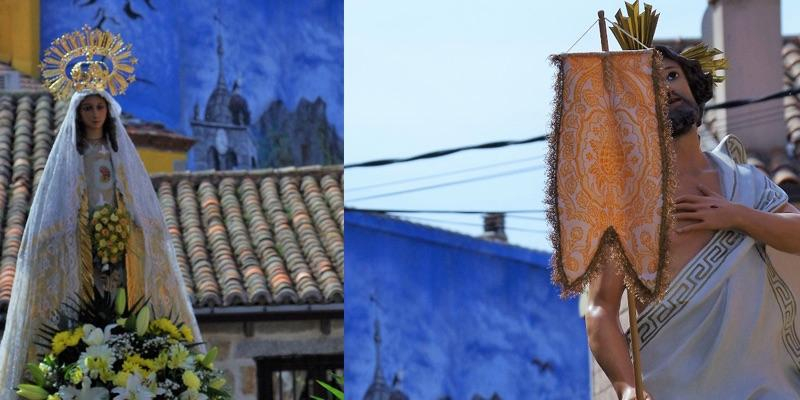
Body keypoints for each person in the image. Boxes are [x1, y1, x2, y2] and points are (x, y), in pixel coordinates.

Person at [585, 46, 800, 400]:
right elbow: (601, 308)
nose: (667, 87)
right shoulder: (626, 205)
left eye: (672, 75)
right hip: (678, 383)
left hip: (766, 384)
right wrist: (626, 387)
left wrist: (738, 216)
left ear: (693, 86)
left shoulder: (745, 181)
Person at [0, 89, 203, 393]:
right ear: (77, 114)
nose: (95, 114)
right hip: (83, 248)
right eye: (87, 108)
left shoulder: (120, 156)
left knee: (122, 303)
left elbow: (139, 207)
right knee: (84, 306)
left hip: (120, 250)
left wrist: (121, 229)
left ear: (109, 111)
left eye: (99, 107)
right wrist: (85, 231)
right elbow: (57, 211)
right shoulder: (71, 158)